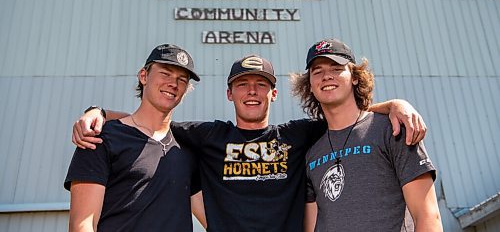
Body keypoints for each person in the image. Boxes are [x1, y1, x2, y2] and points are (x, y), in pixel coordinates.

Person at [73, 54, 427, 231]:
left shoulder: (299, 135)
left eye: (261, 84)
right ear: (229, 94)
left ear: (274, 93)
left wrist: (393, 104)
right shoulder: (207, 135)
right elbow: (154, 119)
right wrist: (100, 112)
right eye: (243, 84)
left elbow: (343, 113)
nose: (252, 91)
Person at [291, 39, 442, 231]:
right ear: (310, 85)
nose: (326, 76)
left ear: (354, 77)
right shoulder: (311, 151)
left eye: (337, 68)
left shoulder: (392, 128)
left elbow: (427, 215)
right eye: (317, 71)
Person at [64, 44, 206, 232]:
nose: (174, 83)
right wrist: (99, 112)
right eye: (165, 73)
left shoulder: (185, 146)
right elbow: (83, 225)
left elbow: (213, 219)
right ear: (143, 76)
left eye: (182, 79)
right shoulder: (102, 138)